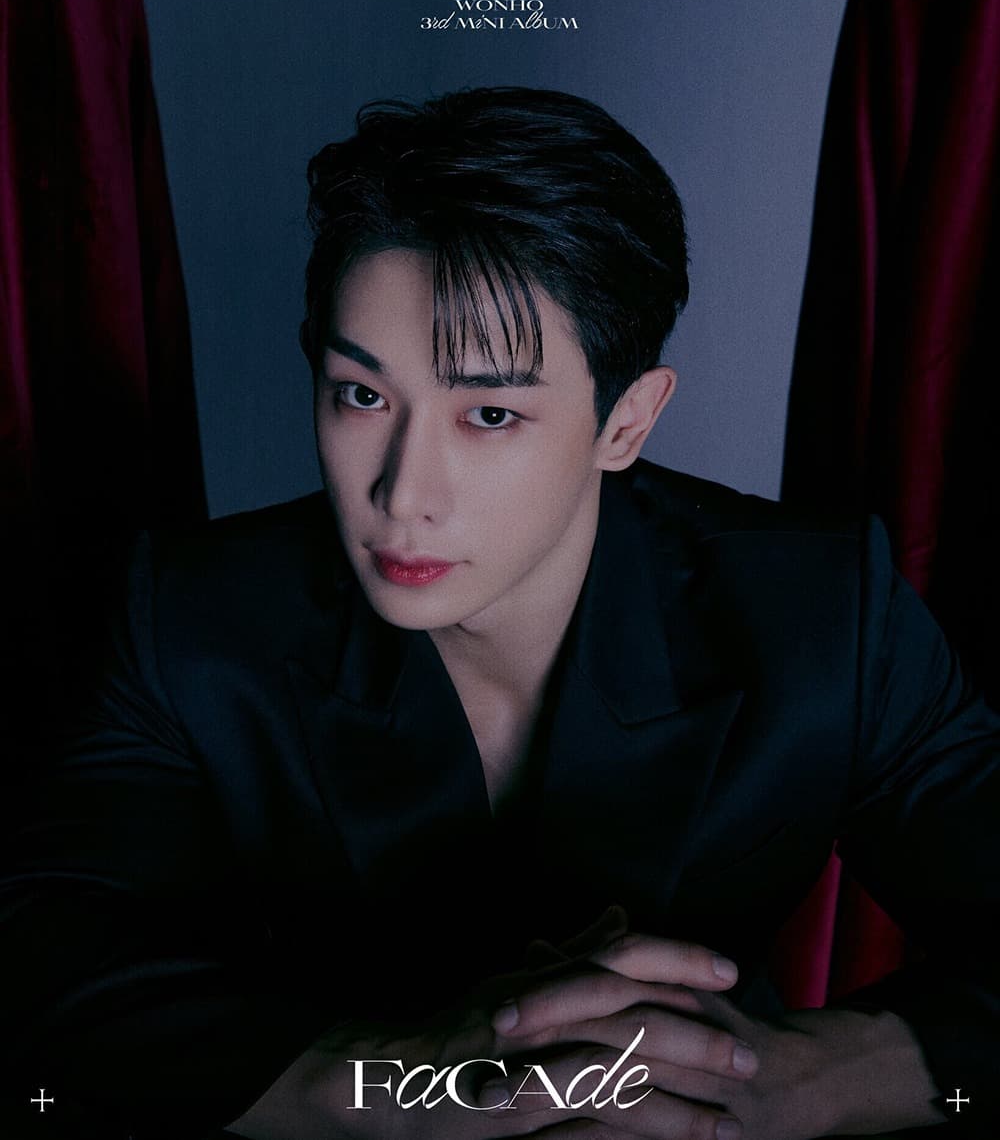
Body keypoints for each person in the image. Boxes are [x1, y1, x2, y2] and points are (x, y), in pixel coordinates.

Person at [1, 86, 997, 1140]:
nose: (402, 492)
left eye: (488, 412)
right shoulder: (194, 617)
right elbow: (40, 946)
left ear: (626, 422)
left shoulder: (819, 610)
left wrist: (800, 1078)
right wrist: (390, 1087)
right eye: (363, 395)